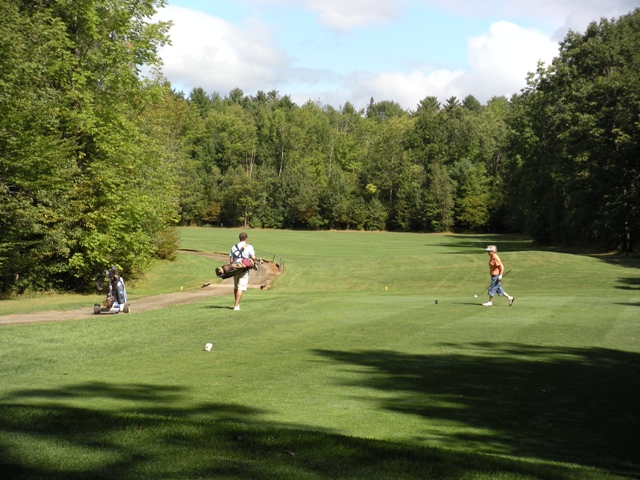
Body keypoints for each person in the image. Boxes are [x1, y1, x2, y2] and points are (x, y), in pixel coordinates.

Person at [229, 232, 256, 311]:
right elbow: (253, 257)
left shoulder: (234, 247)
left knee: (236, 287)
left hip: (235, 268)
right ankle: (236, 305)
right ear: (246, 238)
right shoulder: (249, 246)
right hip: (244, 268)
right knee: (240, 287)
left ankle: (236, 303)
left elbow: (231, 260)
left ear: (239, 238)